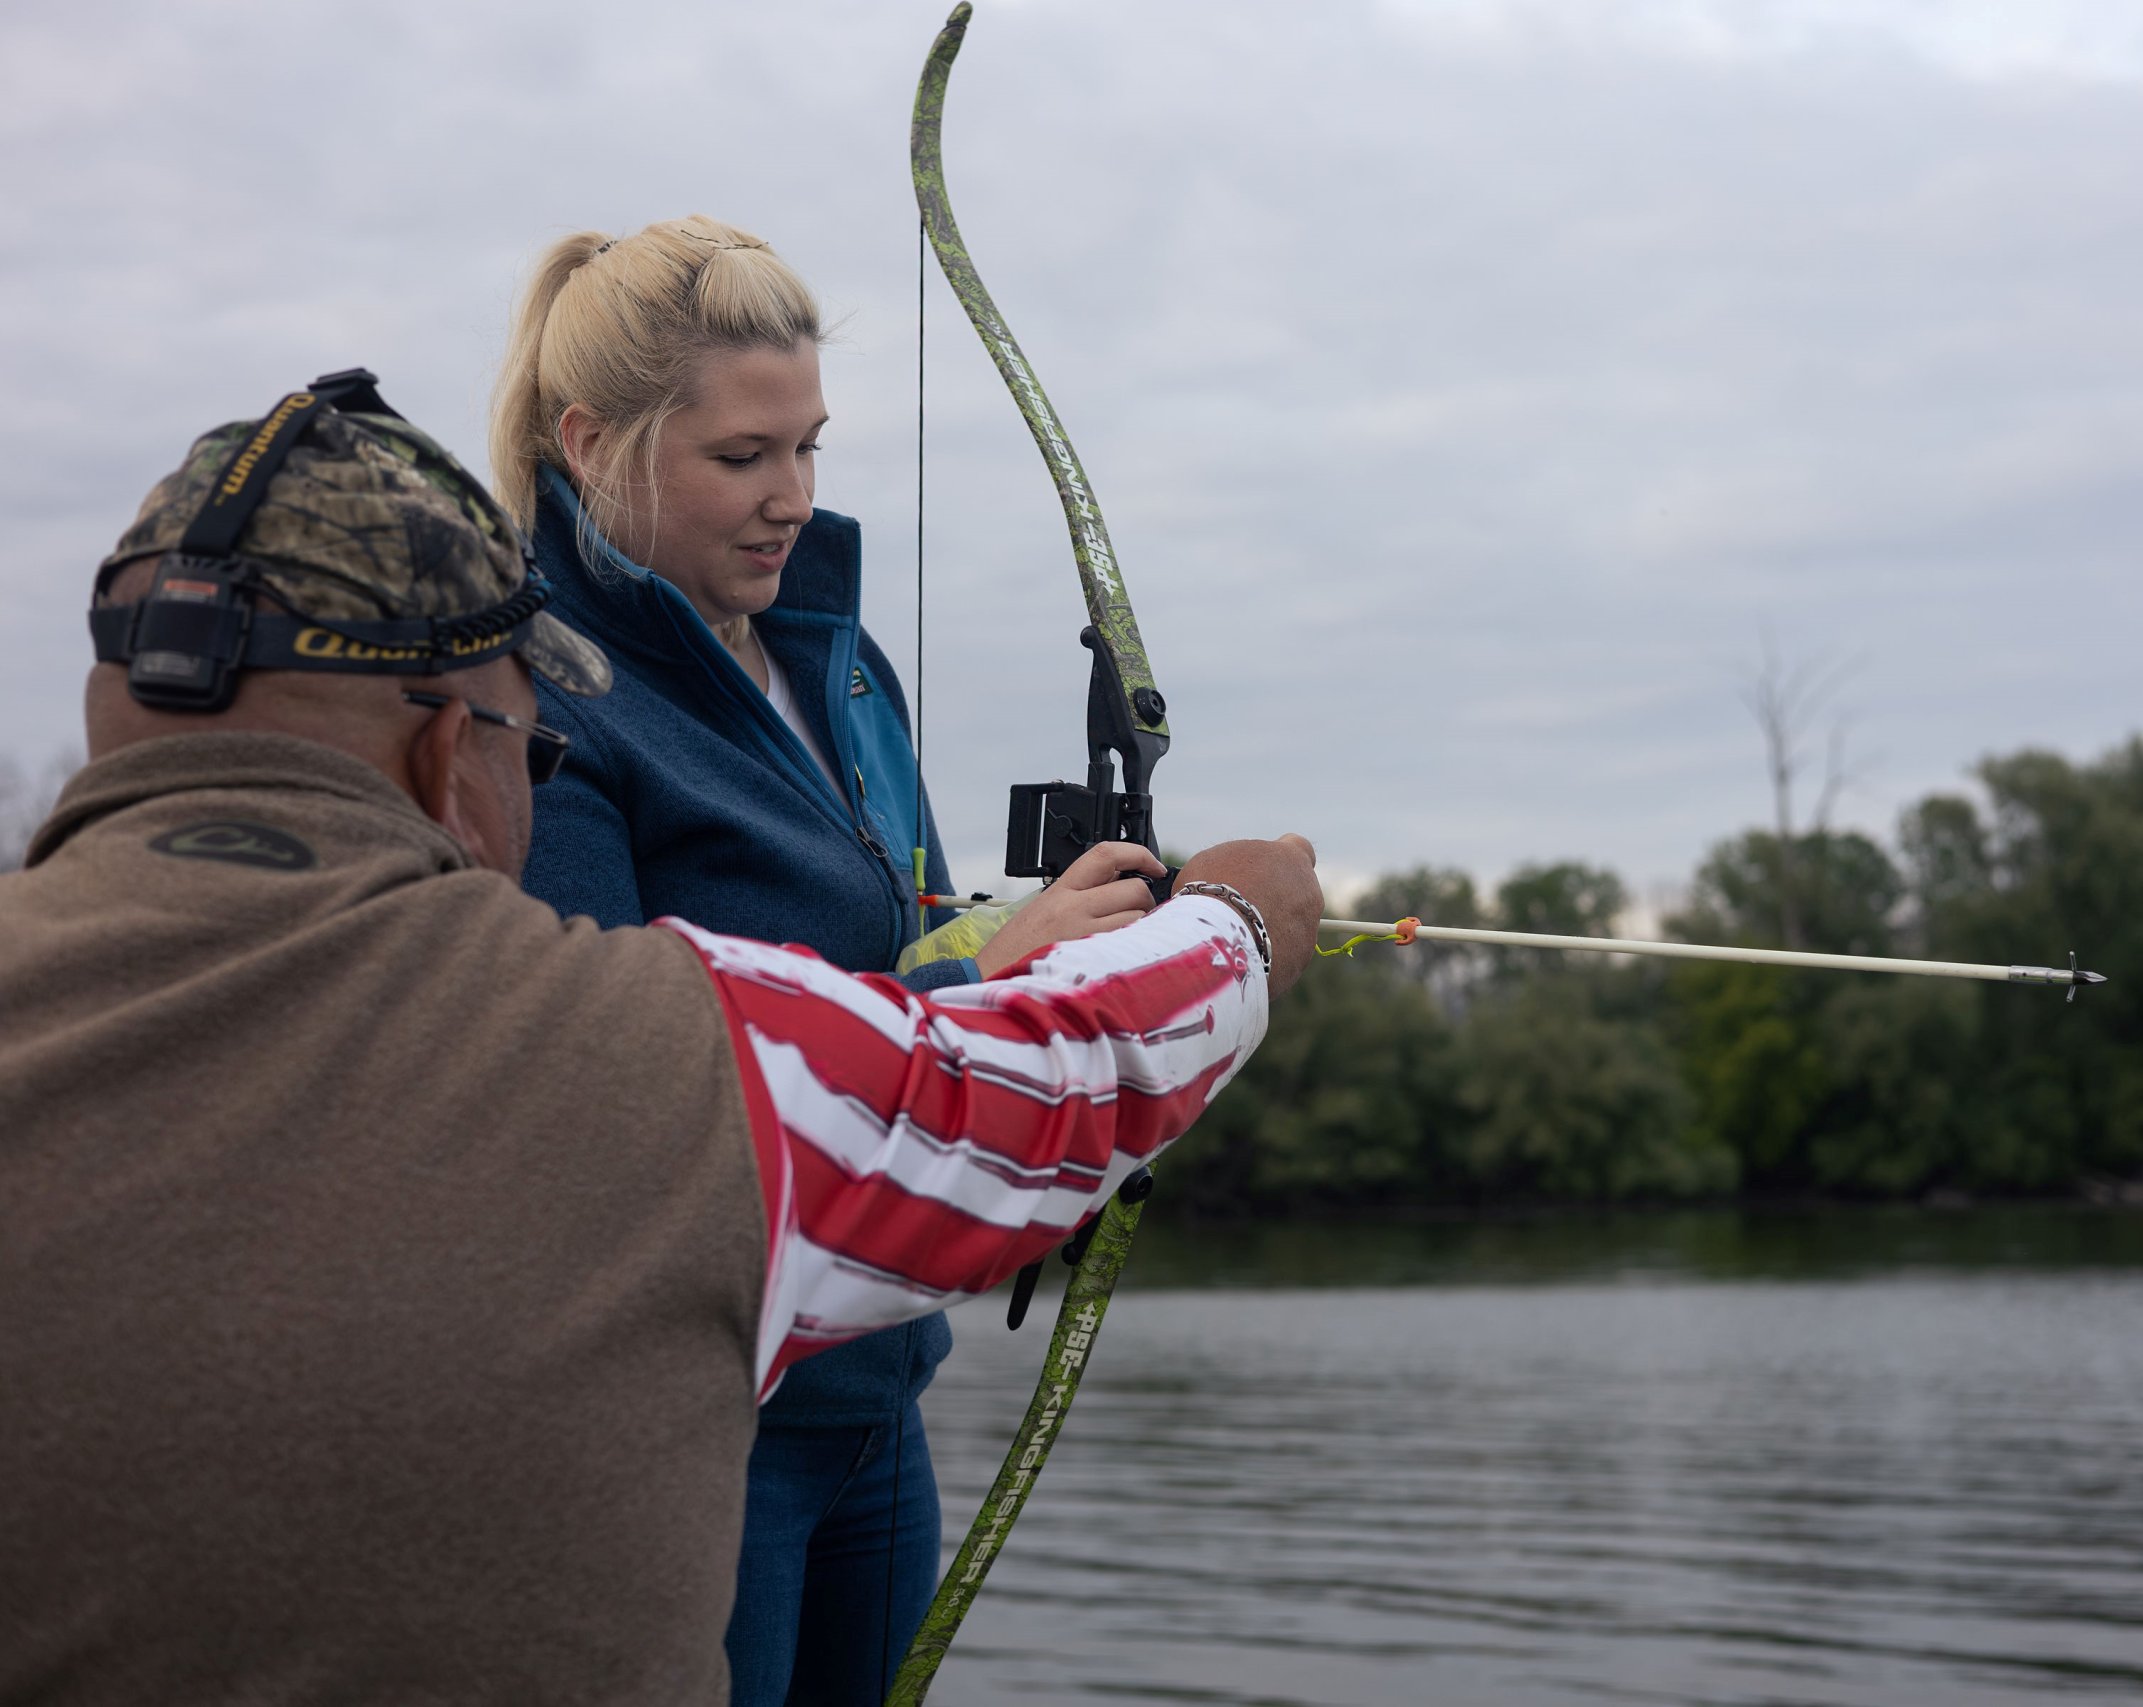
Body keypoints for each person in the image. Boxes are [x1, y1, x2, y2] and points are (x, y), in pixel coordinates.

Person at [0, 378, 1321, 1706]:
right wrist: (1236, 918)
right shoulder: (677, 1070)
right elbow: (1060, 1080)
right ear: (451, 751)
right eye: (536, 744)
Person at [486, 214, 1131, 1704]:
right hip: (692, 1438)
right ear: (591, 441)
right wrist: (981, 991)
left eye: (812, 448)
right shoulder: (533, 697)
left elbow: (908, 930)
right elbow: (626, 1094)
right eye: (741, 458)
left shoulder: (833, 659)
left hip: (873, 1399)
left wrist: (1072, 949)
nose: (793, 498)